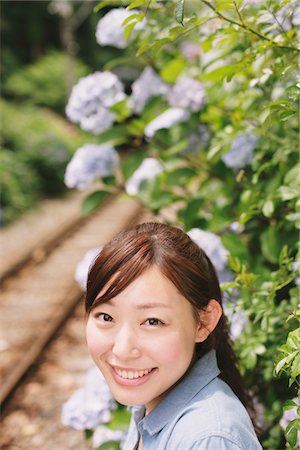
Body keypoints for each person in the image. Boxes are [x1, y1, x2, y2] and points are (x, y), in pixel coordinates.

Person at [85, 222, 262, 450]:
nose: (122, 349)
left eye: (152, 321)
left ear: (204, 322)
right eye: (106, 317)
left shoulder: (208, 439)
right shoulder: (152, 401)